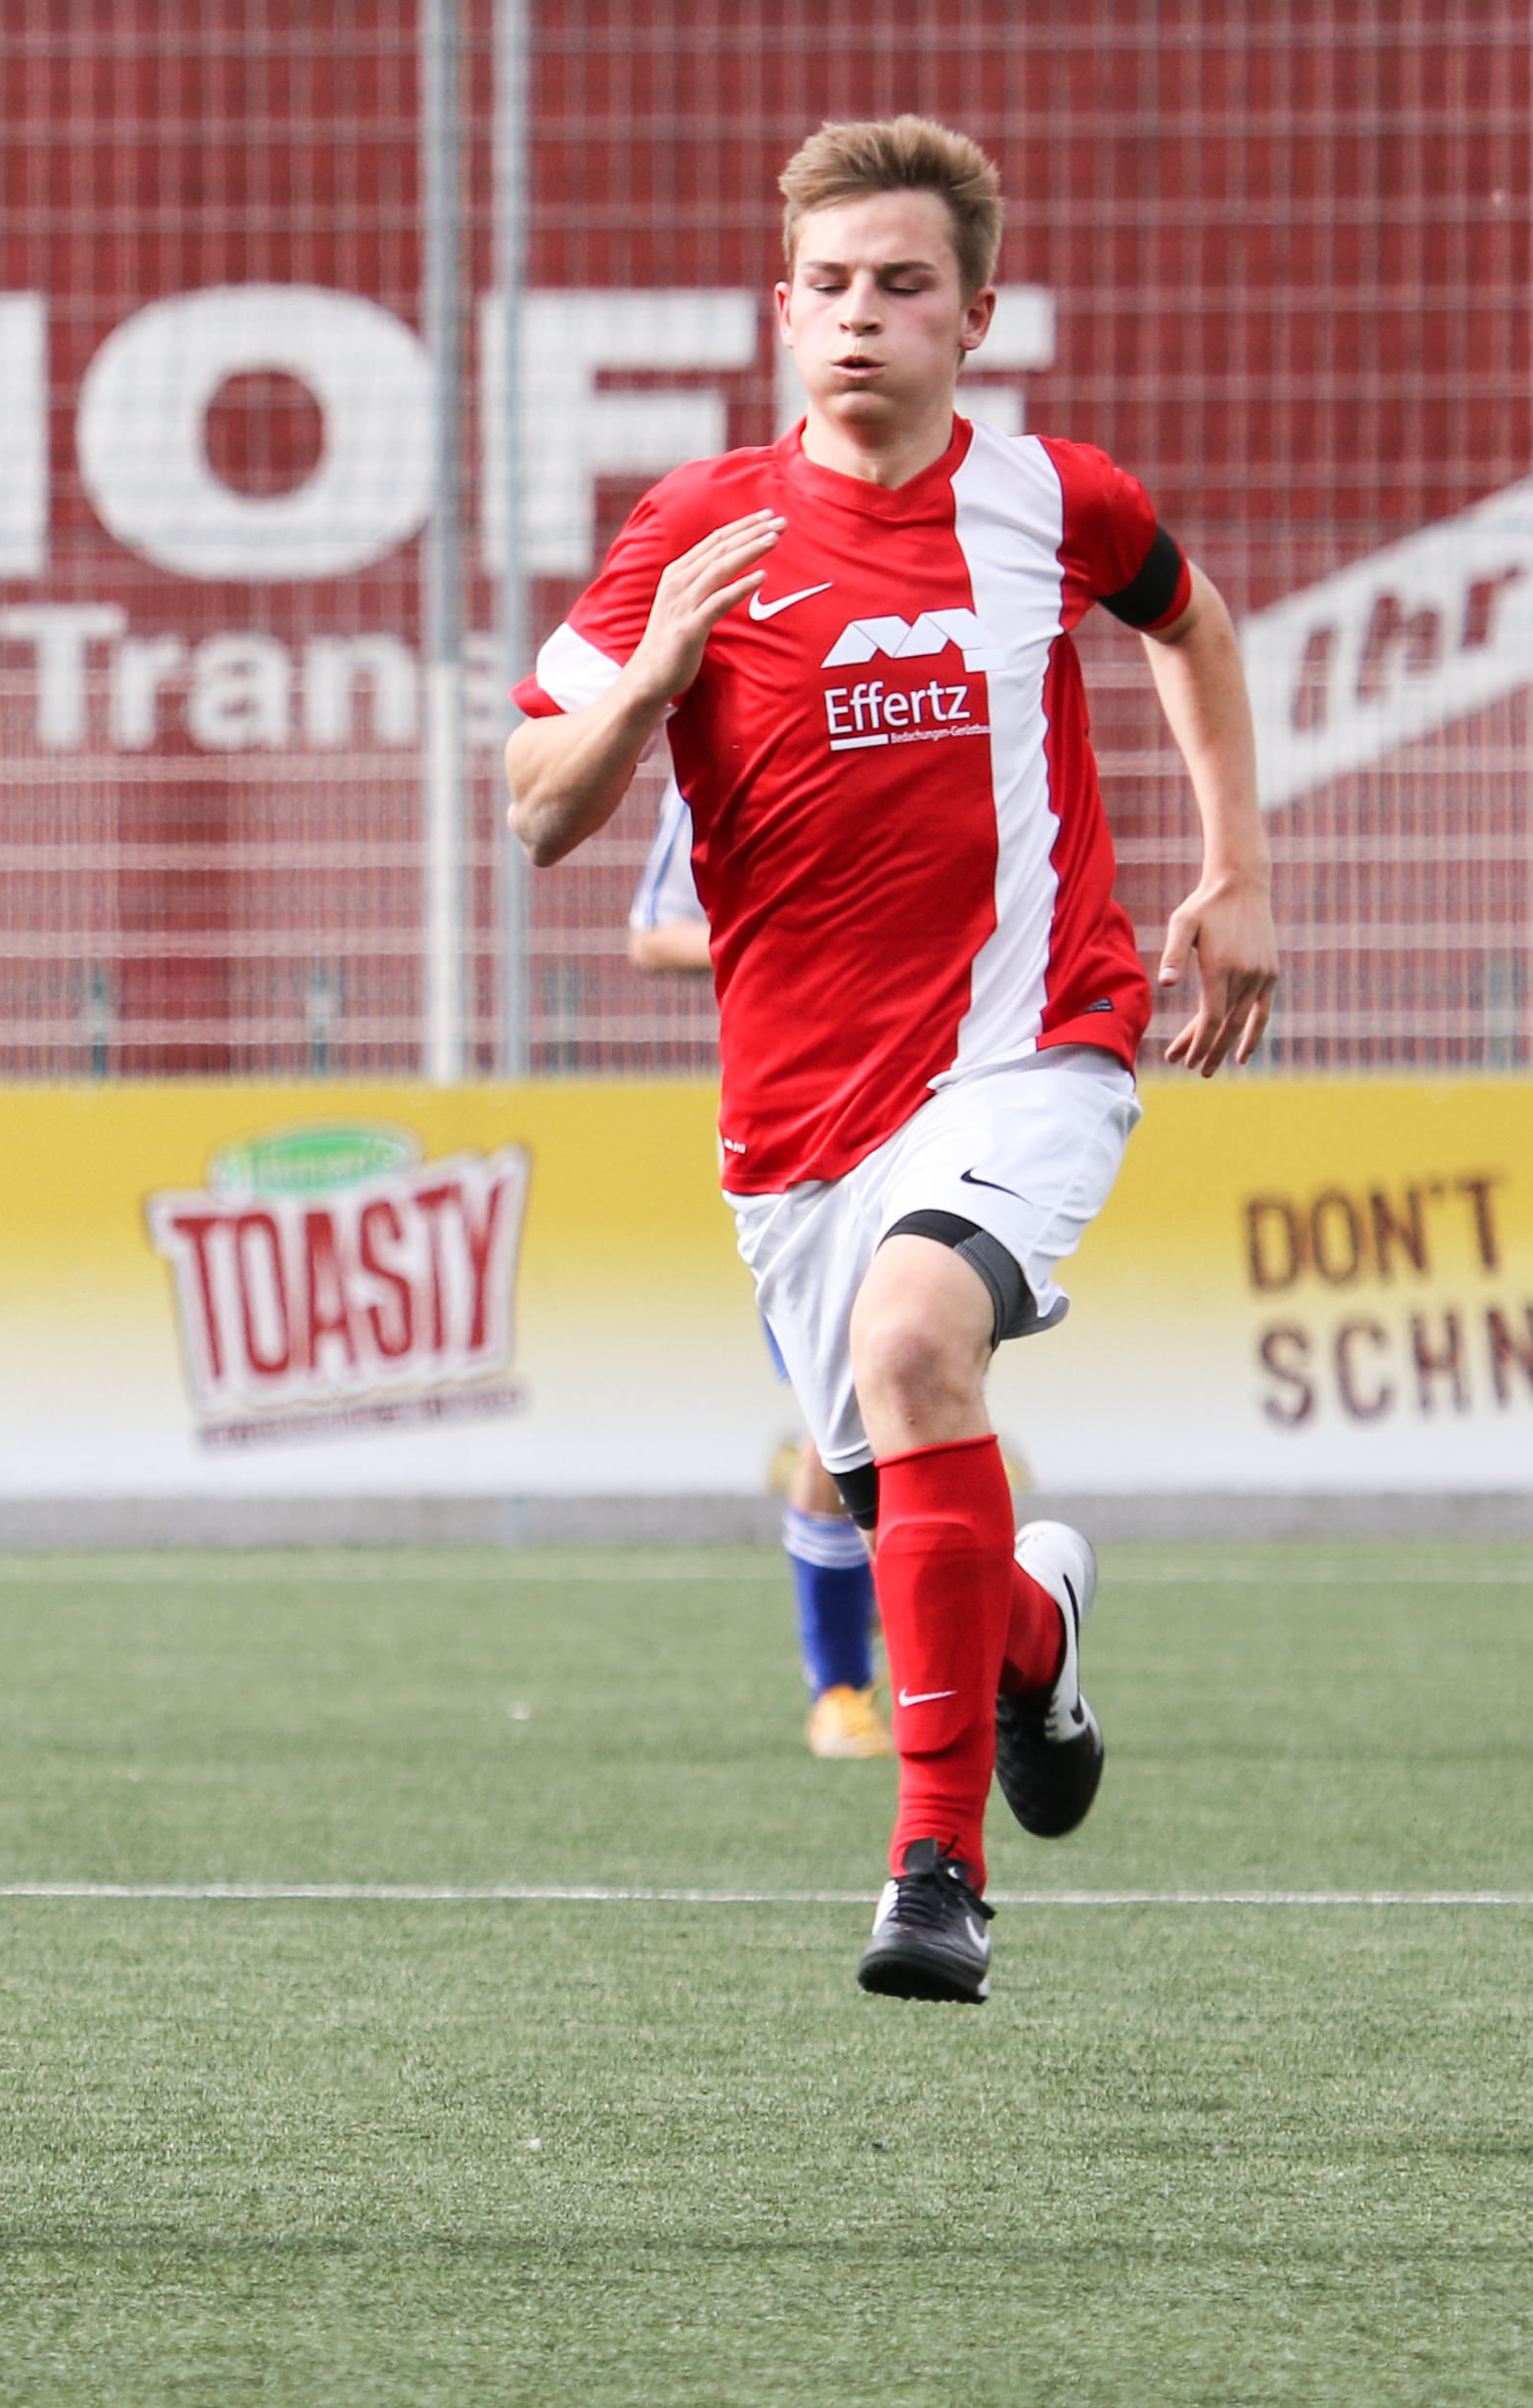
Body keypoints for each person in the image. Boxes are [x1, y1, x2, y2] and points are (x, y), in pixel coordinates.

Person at [505, 118, 1276, 2002]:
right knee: (919, 1514)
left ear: (971, 316)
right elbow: (532, 809)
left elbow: (1187, 621)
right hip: (794, 1124)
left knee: (918, 1334)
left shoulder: (1050, 500)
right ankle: (1033, 1637)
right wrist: (644, 682)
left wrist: (1234, 869)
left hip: (1034, 1041)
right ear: (780, 312)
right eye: (830, 284)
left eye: (902, 284)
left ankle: (933, 1871)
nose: (861, 314)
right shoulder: (691, 529)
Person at [625, 787, 889, 1762]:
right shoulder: (718, 755)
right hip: (802, 1133)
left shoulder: (923, 729)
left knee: (921, 1385)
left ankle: (937, 1640)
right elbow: (654, 934)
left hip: (938, 1105)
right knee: (846, 1413)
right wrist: (791, 937)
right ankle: (842, 1687)